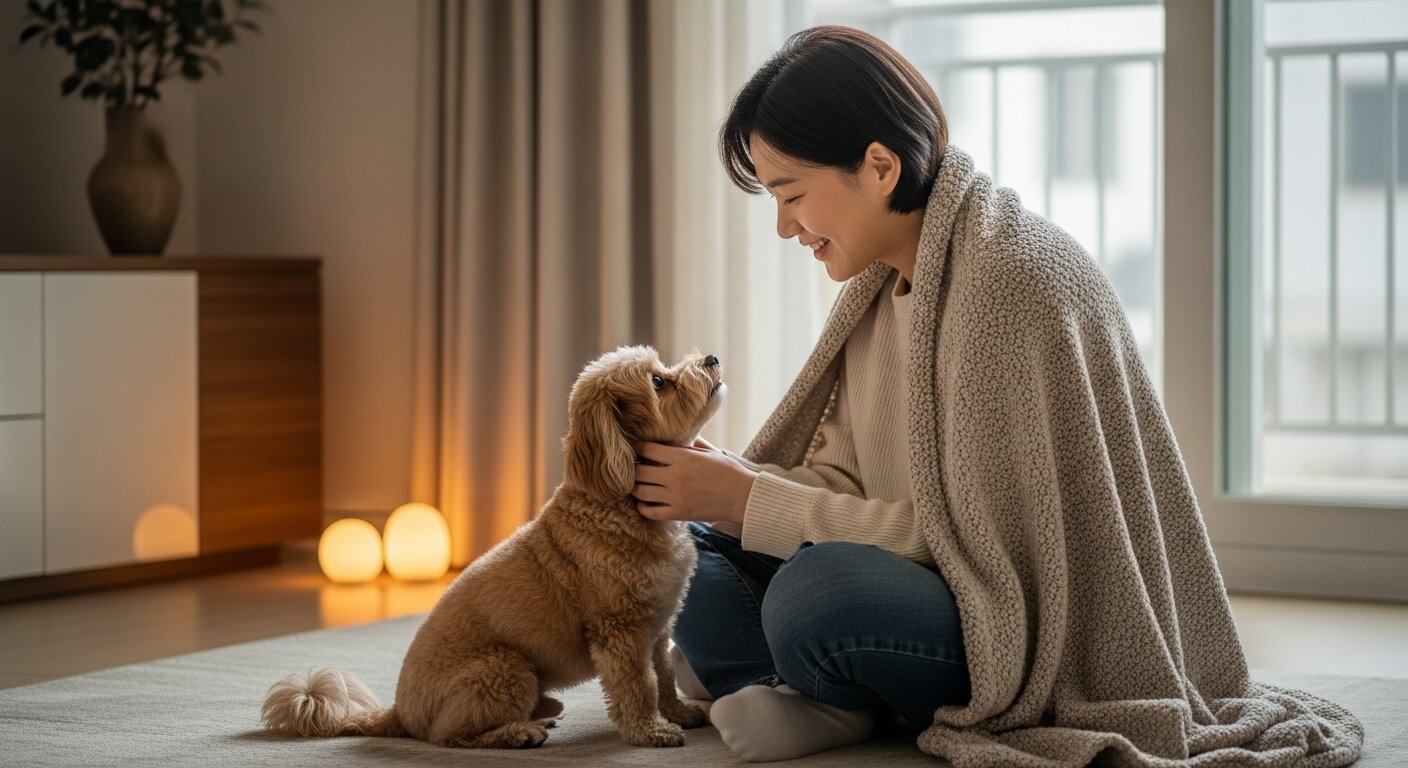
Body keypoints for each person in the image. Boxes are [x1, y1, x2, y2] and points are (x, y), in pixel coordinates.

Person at [631, 25, 1361, 768]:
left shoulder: (1006, 286)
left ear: (878, 166)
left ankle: (804, 689)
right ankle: (788, 686)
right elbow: (848, 481)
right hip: (918, 585)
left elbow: (979, 549)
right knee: (673, 540)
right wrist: (732, 487)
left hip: (1008, 627)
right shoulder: (881, 288)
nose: (785, 226)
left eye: (791, 195)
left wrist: (749, 500)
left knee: (816, 595)